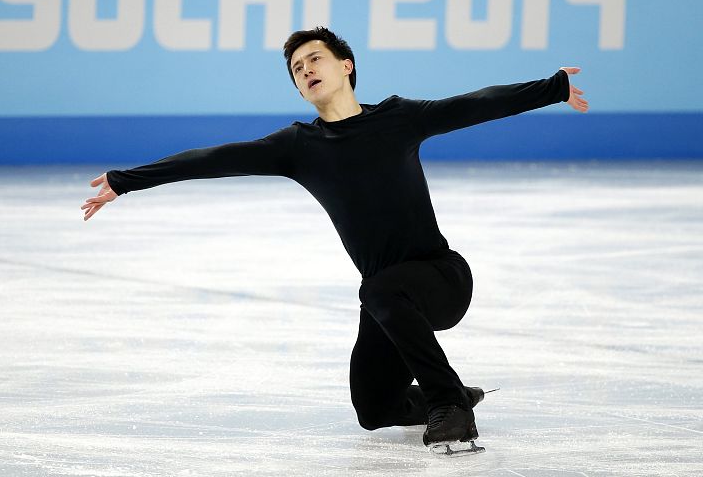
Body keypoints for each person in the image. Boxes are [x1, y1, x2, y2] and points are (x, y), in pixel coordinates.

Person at [81, 26, 588, 450]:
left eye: (314, 59)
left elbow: (475, 104)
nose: (306, 70)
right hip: (389, 300)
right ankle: (452, 387)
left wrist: (552, 88)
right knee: (373, 409)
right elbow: (214, 159)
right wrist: (127, 181)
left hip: (442, 279)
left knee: (379, 290)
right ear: (299, 89)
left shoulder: (398, 118)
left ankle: (449, 405)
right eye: (297, 69)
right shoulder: (299, 147)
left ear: (347, 65)